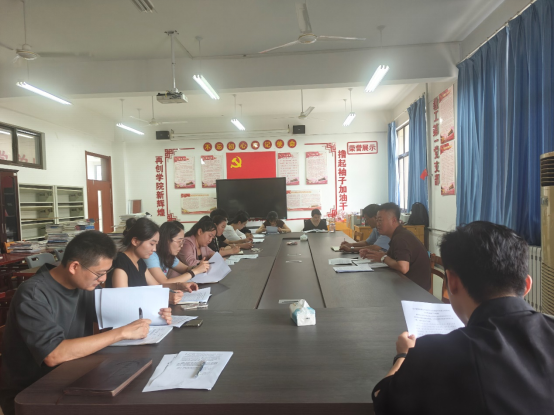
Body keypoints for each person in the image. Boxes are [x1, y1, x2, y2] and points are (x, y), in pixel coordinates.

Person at [372, 222, 554, 414]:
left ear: (451, 281)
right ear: (526, 285)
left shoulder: (435, 354)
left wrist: (403, 356)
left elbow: (383, 402)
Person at [0, 231, 172, 415]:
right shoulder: (34, 294)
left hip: (75, 375)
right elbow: (53, 354)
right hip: (35, 391)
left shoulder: (83, 285)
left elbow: (113, 315)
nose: (103, 279)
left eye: (106, 273)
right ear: (74, 266)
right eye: (99, 273)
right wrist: (121, 333)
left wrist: (155, 314)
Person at [106, 218, 199, 304]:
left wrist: (180, 286)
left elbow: (157, 286)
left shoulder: (140, 262)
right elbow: (123, 300)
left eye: (156, 244)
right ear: (135, 241)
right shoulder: (121, 263)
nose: (154, 249)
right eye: (151, 244)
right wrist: (163, 297)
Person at [362, 203, 431, 291]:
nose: (377, 224)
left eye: (380, 220)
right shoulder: (398, 235)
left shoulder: (401, 238)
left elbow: (403, 267)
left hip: (415, 290)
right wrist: (375, 254)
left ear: (393, 220)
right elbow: (394, 256)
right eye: (377, 220)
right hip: (405, 283)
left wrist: (383, 258)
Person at [145, 221, 210, 284]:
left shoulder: (168, 255)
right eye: (179, 241)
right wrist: (195, 271)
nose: (181, 245)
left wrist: (198, 266)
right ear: (167, 240)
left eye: (182, 241)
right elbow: (164, 282)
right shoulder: (151, 255)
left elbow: (186, 269)